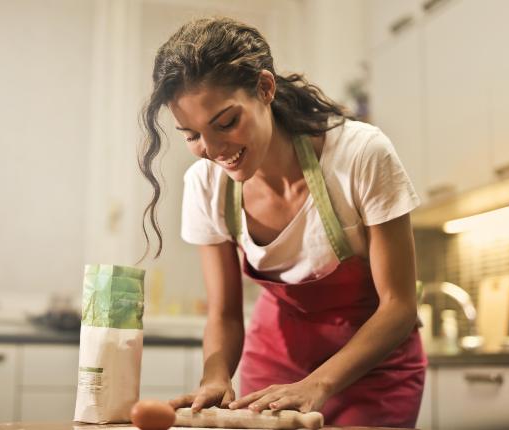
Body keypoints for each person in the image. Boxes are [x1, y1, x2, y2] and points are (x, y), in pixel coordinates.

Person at [138, 17, 426, 428]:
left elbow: (399, 306)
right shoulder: (205, 185)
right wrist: (215, 377)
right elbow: (224, 313)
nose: (213, 149)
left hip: (374, 372)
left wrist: (318, 385)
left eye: (225, 123)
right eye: (192, 135)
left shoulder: (360, 156)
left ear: (265, 88)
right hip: (272, 370)